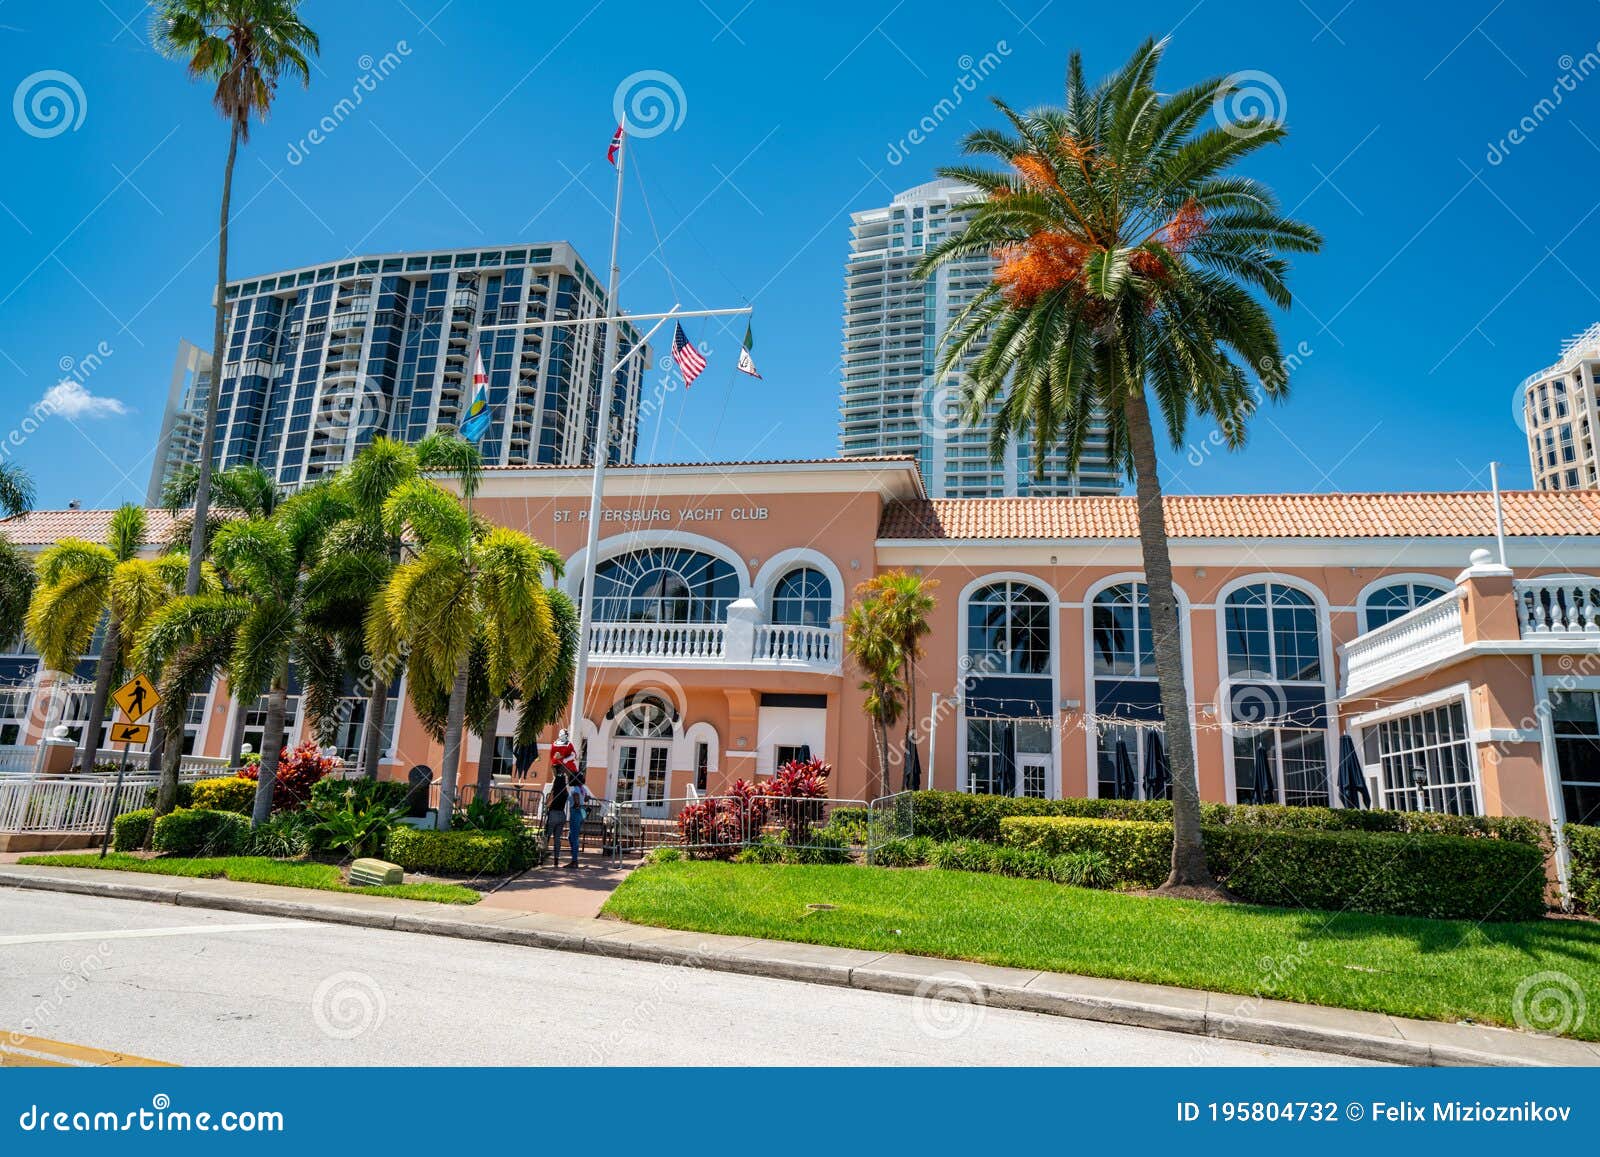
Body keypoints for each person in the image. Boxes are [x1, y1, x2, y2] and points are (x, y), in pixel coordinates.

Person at [542, 765, 569, 867]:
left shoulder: (555, 790)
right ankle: (556, 860)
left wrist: (546, 802)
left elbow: (548, 803)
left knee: (547, 836)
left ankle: (542, 857)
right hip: (562, 814)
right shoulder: (564, 792)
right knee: (557, 838)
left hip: (553, 814)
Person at [565, 770, 591, 868]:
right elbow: (586, 799)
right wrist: (583, 799)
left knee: (574, 837)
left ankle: (574, 861)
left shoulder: (574, 788)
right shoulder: (582, 788)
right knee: (571, 836)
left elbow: (576, 797)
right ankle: (573, 857)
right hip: (582, 812)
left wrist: (576, 804)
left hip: (576, 812)